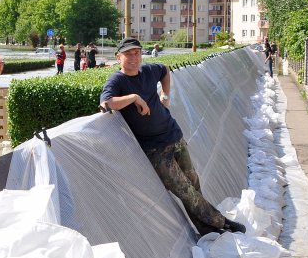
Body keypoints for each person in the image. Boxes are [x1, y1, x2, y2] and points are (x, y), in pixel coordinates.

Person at [100, 37, 246, 236]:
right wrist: (134, 98)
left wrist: (165, 96)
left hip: (173, 135)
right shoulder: (117, 80)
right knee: (184, 190)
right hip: (154, 148)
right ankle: (222, 222)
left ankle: (206, 229)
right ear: (119, 57)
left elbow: (165, 70)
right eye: (128, 54)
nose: (134, 58)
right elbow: (107, 103)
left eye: (137, 53)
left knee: (193, 183)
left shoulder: (149, 71)